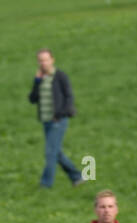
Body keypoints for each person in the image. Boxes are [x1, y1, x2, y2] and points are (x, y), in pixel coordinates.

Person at [29, 48, 82, 188]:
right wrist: (36, 81)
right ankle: (77, 176)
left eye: (46, 59)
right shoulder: (40, 79)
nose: (43, 63)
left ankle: (45, 185)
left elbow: (69, 96)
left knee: (50, 153)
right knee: (56, 152)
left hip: (58, 120)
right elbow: (32, 99)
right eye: (40, 60)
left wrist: (61, 114)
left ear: (52, 60)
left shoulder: (60, 76)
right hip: (46, 121)